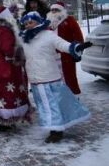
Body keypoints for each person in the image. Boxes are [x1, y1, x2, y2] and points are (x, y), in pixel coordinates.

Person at [20, 12, 92, 143]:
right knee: (45, 106)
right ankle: (55, 127)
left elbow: (62, 44)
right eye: (26, 24)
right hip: (35, 79)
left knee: (53, 105)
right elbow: (19, 53)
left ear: (38, 21)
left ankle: (56, 131)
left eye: (31, 22)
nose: (28, 26)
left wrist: (75, 47)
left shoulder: (48, 35)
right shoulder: (25, 38)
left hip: (49, 77)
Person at [0, 6, 32, 131]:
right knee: (8, 91)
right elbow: (8, 49)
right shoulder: (5, 30)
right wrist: (19, 53)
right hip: (6, 65)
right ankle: (7, 119)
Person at [47, 1, 84, 95]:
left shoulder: (69, 20)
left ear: (62, 10)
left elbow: (78, 35)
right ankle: (59, 95)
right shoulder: (48, 22)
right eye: (52, 10)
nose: (54, 12)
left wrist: (78, 49)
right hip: (52, 55)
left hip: (66, 53)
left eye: (57, 9)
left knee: (69, 76)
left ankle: (73, 94)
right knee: (55, 77)